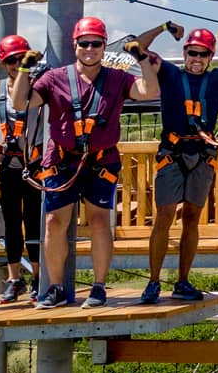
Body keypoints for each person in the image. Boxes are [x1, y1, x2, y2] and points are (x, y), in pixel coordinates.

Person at [12, 16, 161, 309]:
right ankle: (55, 287)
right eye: (84, 43)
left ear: (104, 46)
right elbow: (20, 103)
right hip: (62, 160)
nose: (90, 49)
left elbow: (149, 91)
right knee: (54, 222)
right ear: (75, 45)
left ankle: (98, 286)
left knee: (99, 221)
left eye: (96, 43)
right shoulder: (54, 79)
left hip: (99, 160)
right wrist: (24, 69)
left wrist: (141, 58)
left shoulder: (117, 79)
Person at [128, 22, 218, 304]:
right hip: (173, 153)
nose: (196, 59)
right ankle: (153, 282)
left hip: (203, 155)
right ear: (185, 53)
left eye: (203, 54)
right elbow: (137, 48)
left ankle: (182, 282)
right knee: (165, 216)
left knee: (192, 218)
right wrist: (163, 28)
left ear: (210, 57)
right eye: (192, 53)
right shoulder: (168, 73)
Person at [0, 34, 43, 304]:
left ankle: (38, 277)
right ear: (3, 62)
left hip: (33, 163)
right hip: (8, 164)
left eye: (21, 60)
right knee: (11, 222)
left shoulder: (39, 89)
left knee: (33, 220)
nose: (16, 64)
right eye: (11, 61)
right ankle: (14, 278)